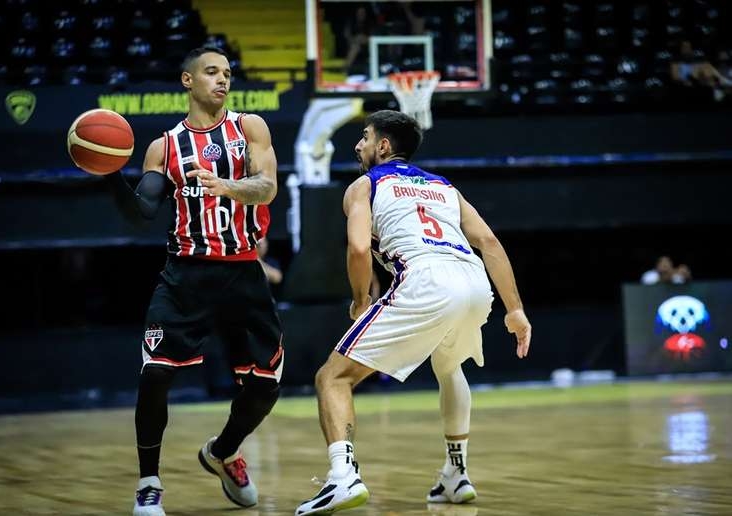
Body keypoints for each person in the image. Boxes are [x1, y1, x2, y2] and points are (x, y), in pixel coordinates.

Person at [295, 110, 531, 515]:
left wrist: (360, 300)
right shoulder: (444, 186)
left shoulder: (363, 185)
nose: (357, 145)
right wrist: (515, 310)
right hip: (474, 282)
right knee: (449, 365)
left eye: (364, 137)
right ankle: (456, 474)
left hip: (424, 279)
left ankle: (342, 477)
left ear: (383, 146)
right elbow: (489, 242)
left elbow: (355, 249)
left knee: (331, 378)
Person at [104, 47, 284, 516]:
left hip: (244, 271)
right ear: (188, 81)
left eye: (227, 73)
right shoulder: (165, 147)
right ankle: (149, 484)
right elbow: (142, 212)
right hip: (186, 274)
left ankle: (222, 452)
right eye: (211, 72)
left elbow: (267, 187)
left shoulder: (250, 128)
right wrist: (108, 176)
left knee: (265, 387)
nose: (222, 80)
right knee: (156, 374)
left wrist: (224, 186)